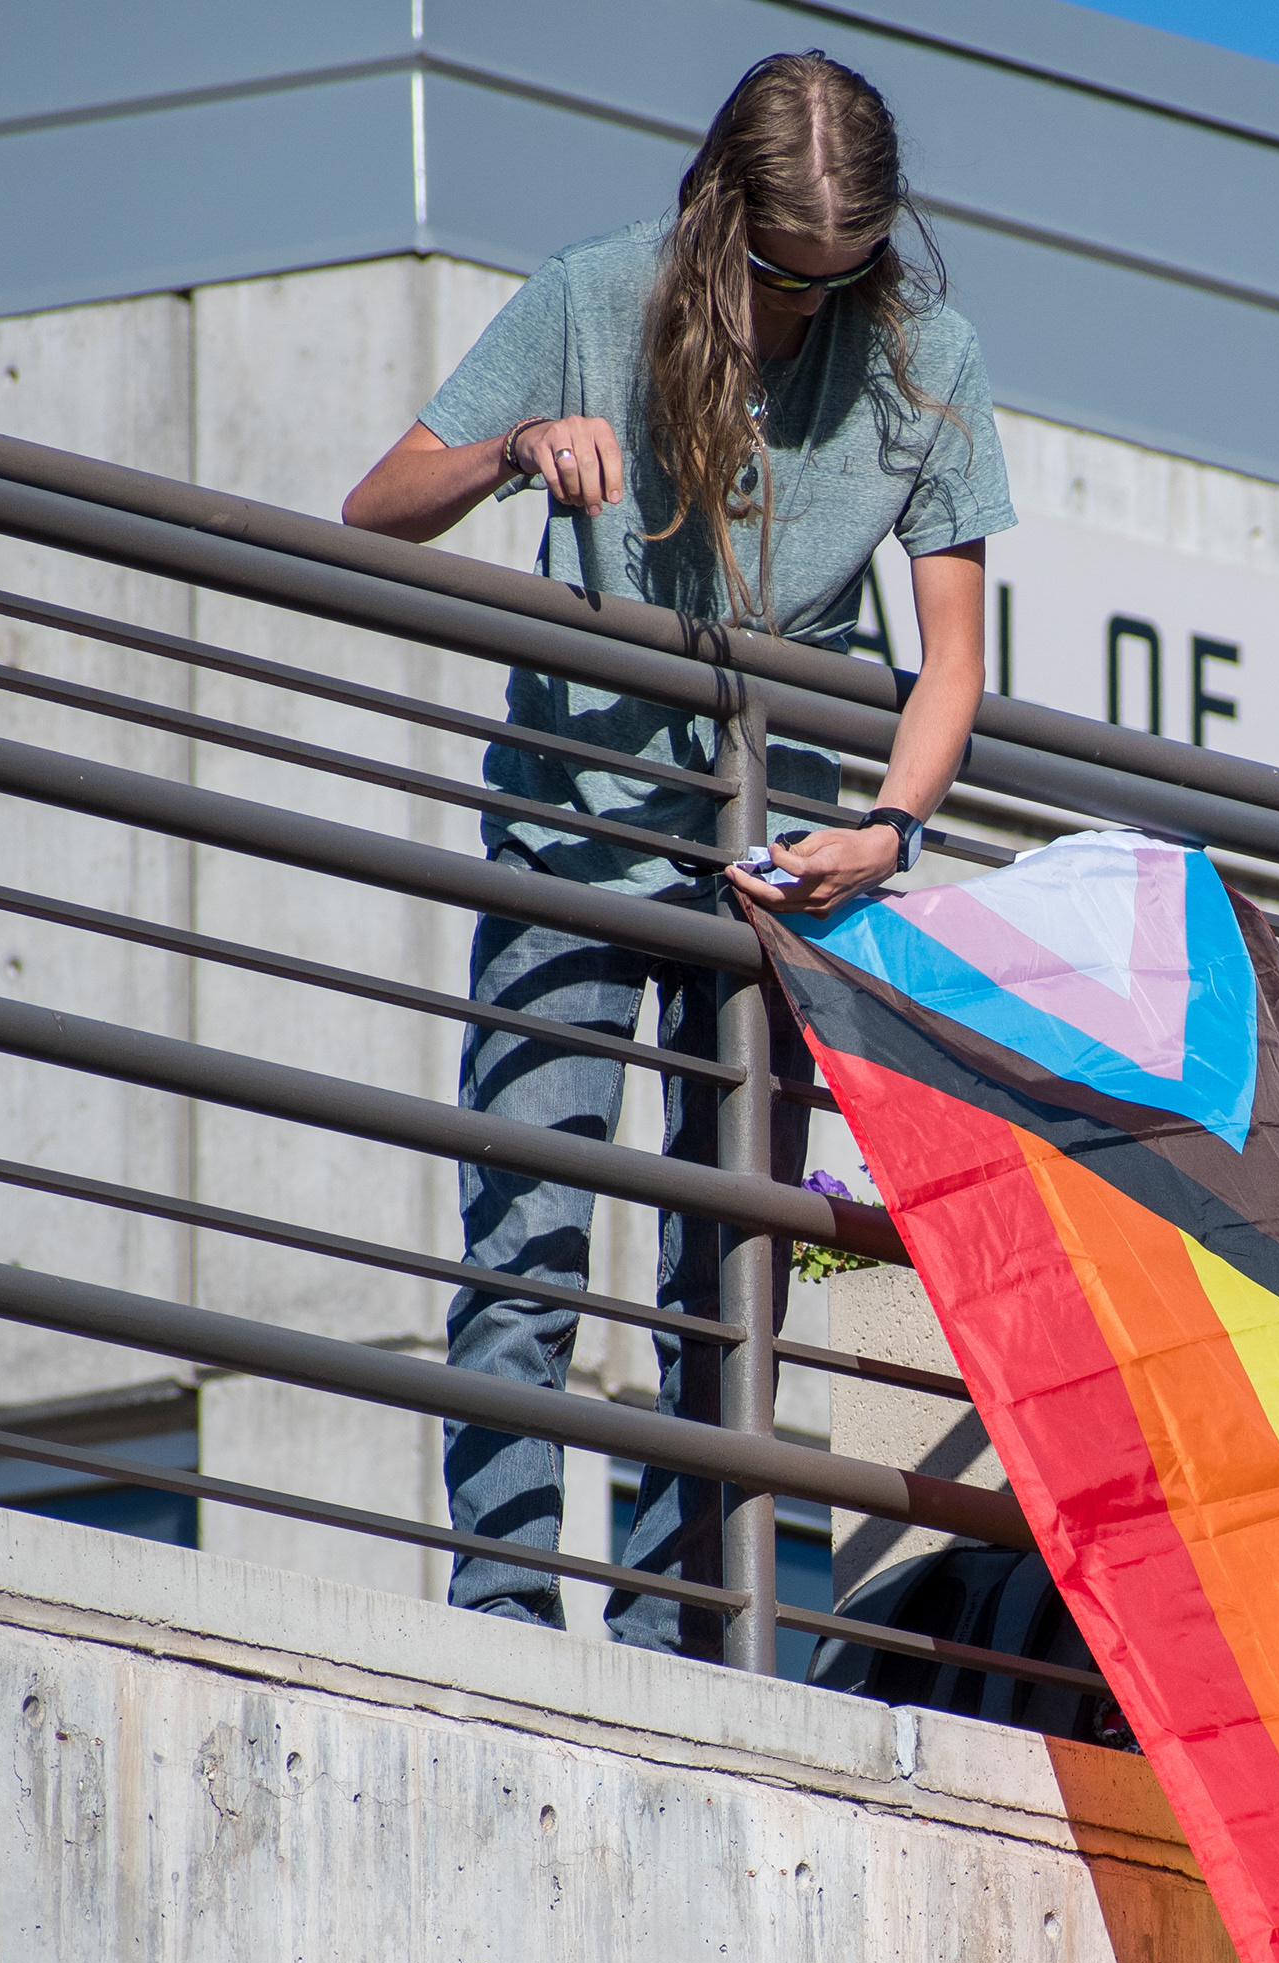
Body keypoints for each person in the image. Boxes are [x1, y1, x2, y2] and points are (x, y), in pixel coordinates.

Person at [341, 50, 1011, 1649]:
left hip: (780, 878)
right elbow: (378, 505)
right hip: (572, 846)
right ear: (722, 212)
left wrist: (890, 829)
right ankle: (502, 1619)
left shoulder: (930, 359)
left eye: (845, 275)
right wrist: (515, 451)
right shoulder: (593, 293)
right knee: (530, 1252)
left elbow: (958, 659)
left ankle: (676, 1641)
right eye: (785, 272)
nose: (808, 309)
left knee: (732, 1292)